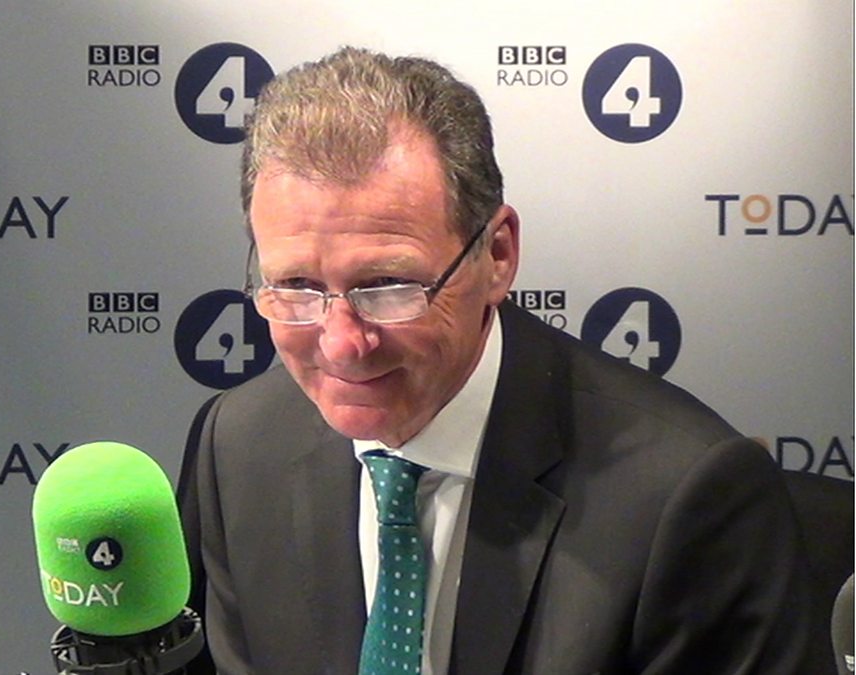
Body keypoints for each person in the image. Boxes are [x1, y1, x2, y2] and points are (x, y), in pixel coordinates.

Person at [176, 46, 810, 674]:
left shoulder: (685, 497)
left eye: (389, 287)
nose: (342, 344)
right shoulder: (237, 447)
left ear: (498, 256)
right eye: (296, 287)